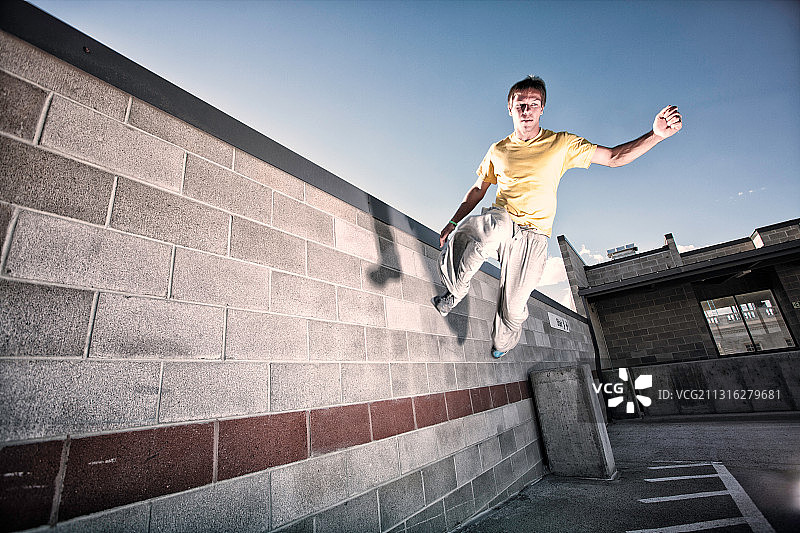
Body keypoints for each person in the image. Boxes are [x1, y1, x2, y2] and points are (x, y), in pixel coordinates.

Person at [432, 75, 682, 359]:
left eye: (533, 104)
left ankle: (503, 342)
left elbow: (613, 157)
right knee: (486, 229)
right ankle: (454, 291)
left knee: (513, 307)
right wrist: (452, 222)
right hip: (505, 219)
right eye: (520, 104)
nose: (526, 110)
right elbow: (478, 189)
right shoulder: (498, 150)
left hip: (535, 235)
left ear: (542, 109)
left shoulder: (561, 143)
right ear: (510, 109)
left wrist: (655, 135)